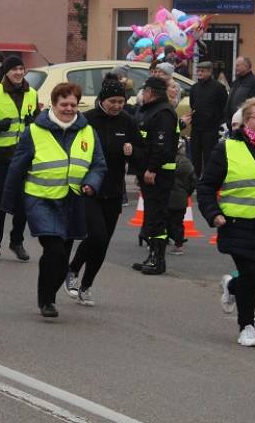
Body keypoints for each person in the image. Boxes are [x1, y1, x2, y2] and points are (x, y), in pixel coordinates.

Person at [3, 81, 105, 317]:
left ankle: (48, 294)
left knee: (61, 258)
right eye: (64, 104)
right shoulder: (35, 131)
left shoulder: (87, 131)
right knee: (55, 250)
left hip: (73, 201)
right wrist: (8, 203)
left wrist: (91, 182)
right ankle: (46, 300)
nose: (69, 109)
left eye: (73, 104)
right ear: (54, 104)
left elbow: (98, 164)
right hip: (41, 199)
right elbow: (17, 168)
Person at [197, 98, 255, 346]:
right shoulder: (227, 148)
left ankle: (231, 286)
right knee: (250, 275)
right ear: (245, 121)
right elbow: (206, 186)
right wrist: (213, 213)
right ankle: (247, 326)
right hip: (236, 224)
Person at [64, 74, 139, 304]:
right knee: (97, 235)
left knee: (103, 242)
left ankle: (86, 286)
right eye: (112, 101)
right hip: (89, 188)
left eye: (121, 101)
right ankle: (73, 269)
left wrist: (132, 151)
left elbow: (141, 149)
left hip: (114, 189)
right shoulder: (86, 120)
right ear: (102, 100)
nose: (117, 106)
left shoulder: (127, 121)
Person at [0, 55, 38, 261]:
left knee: (24, 202)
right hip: (1, 156)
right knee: (0, 202)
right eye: (14, 69)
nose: (18, 72)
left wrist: (35, 121)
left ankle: (17, 242)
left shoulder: (31, 93)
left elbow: (38, 123)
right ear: (6, 72)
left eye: (21, 69)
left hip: (24, 156)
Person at [133, 77, 179, 275]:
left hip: (159, 173)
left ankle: (158, 260)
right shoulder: (151, 110)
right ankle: (151, 255)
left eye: (144, 91)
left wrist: (152, 168)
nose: (142, 94)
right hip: (148, 171)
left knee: (157, 215)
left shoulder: (163, 113)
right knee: (152, 215)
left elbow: (161, 145)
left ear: (151, 92)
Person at [188, 61, 227, 177]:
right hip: (196, 128)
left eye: (202, 71)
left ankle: (209, 178)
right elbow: (192, 104)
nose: (199, 73)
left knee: (209, 155)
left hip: (211, 129)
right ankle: (195, 178)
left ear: (210, 72)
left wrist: (217, 121)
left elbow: (223, 106)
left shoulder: (218, 87)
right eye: (198, 71)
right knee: (195, 156)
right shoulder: (194, 88)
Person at [167, 139, 196, 256]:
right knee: (178, 222)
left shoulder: (167, 160)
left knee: (166, 221)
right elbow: (193, 181)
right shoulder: (187, 163)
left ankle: (164, 241)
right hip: (181, 198)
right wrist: (186, 193)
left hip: (167, 197)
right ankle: (179, 245)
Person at [224, 56, 255, 126]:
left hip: (244, 123)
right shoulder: (235, 82)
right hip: (231, 123)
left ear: (246, 66)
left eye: (238, 66)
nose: (235, 68)